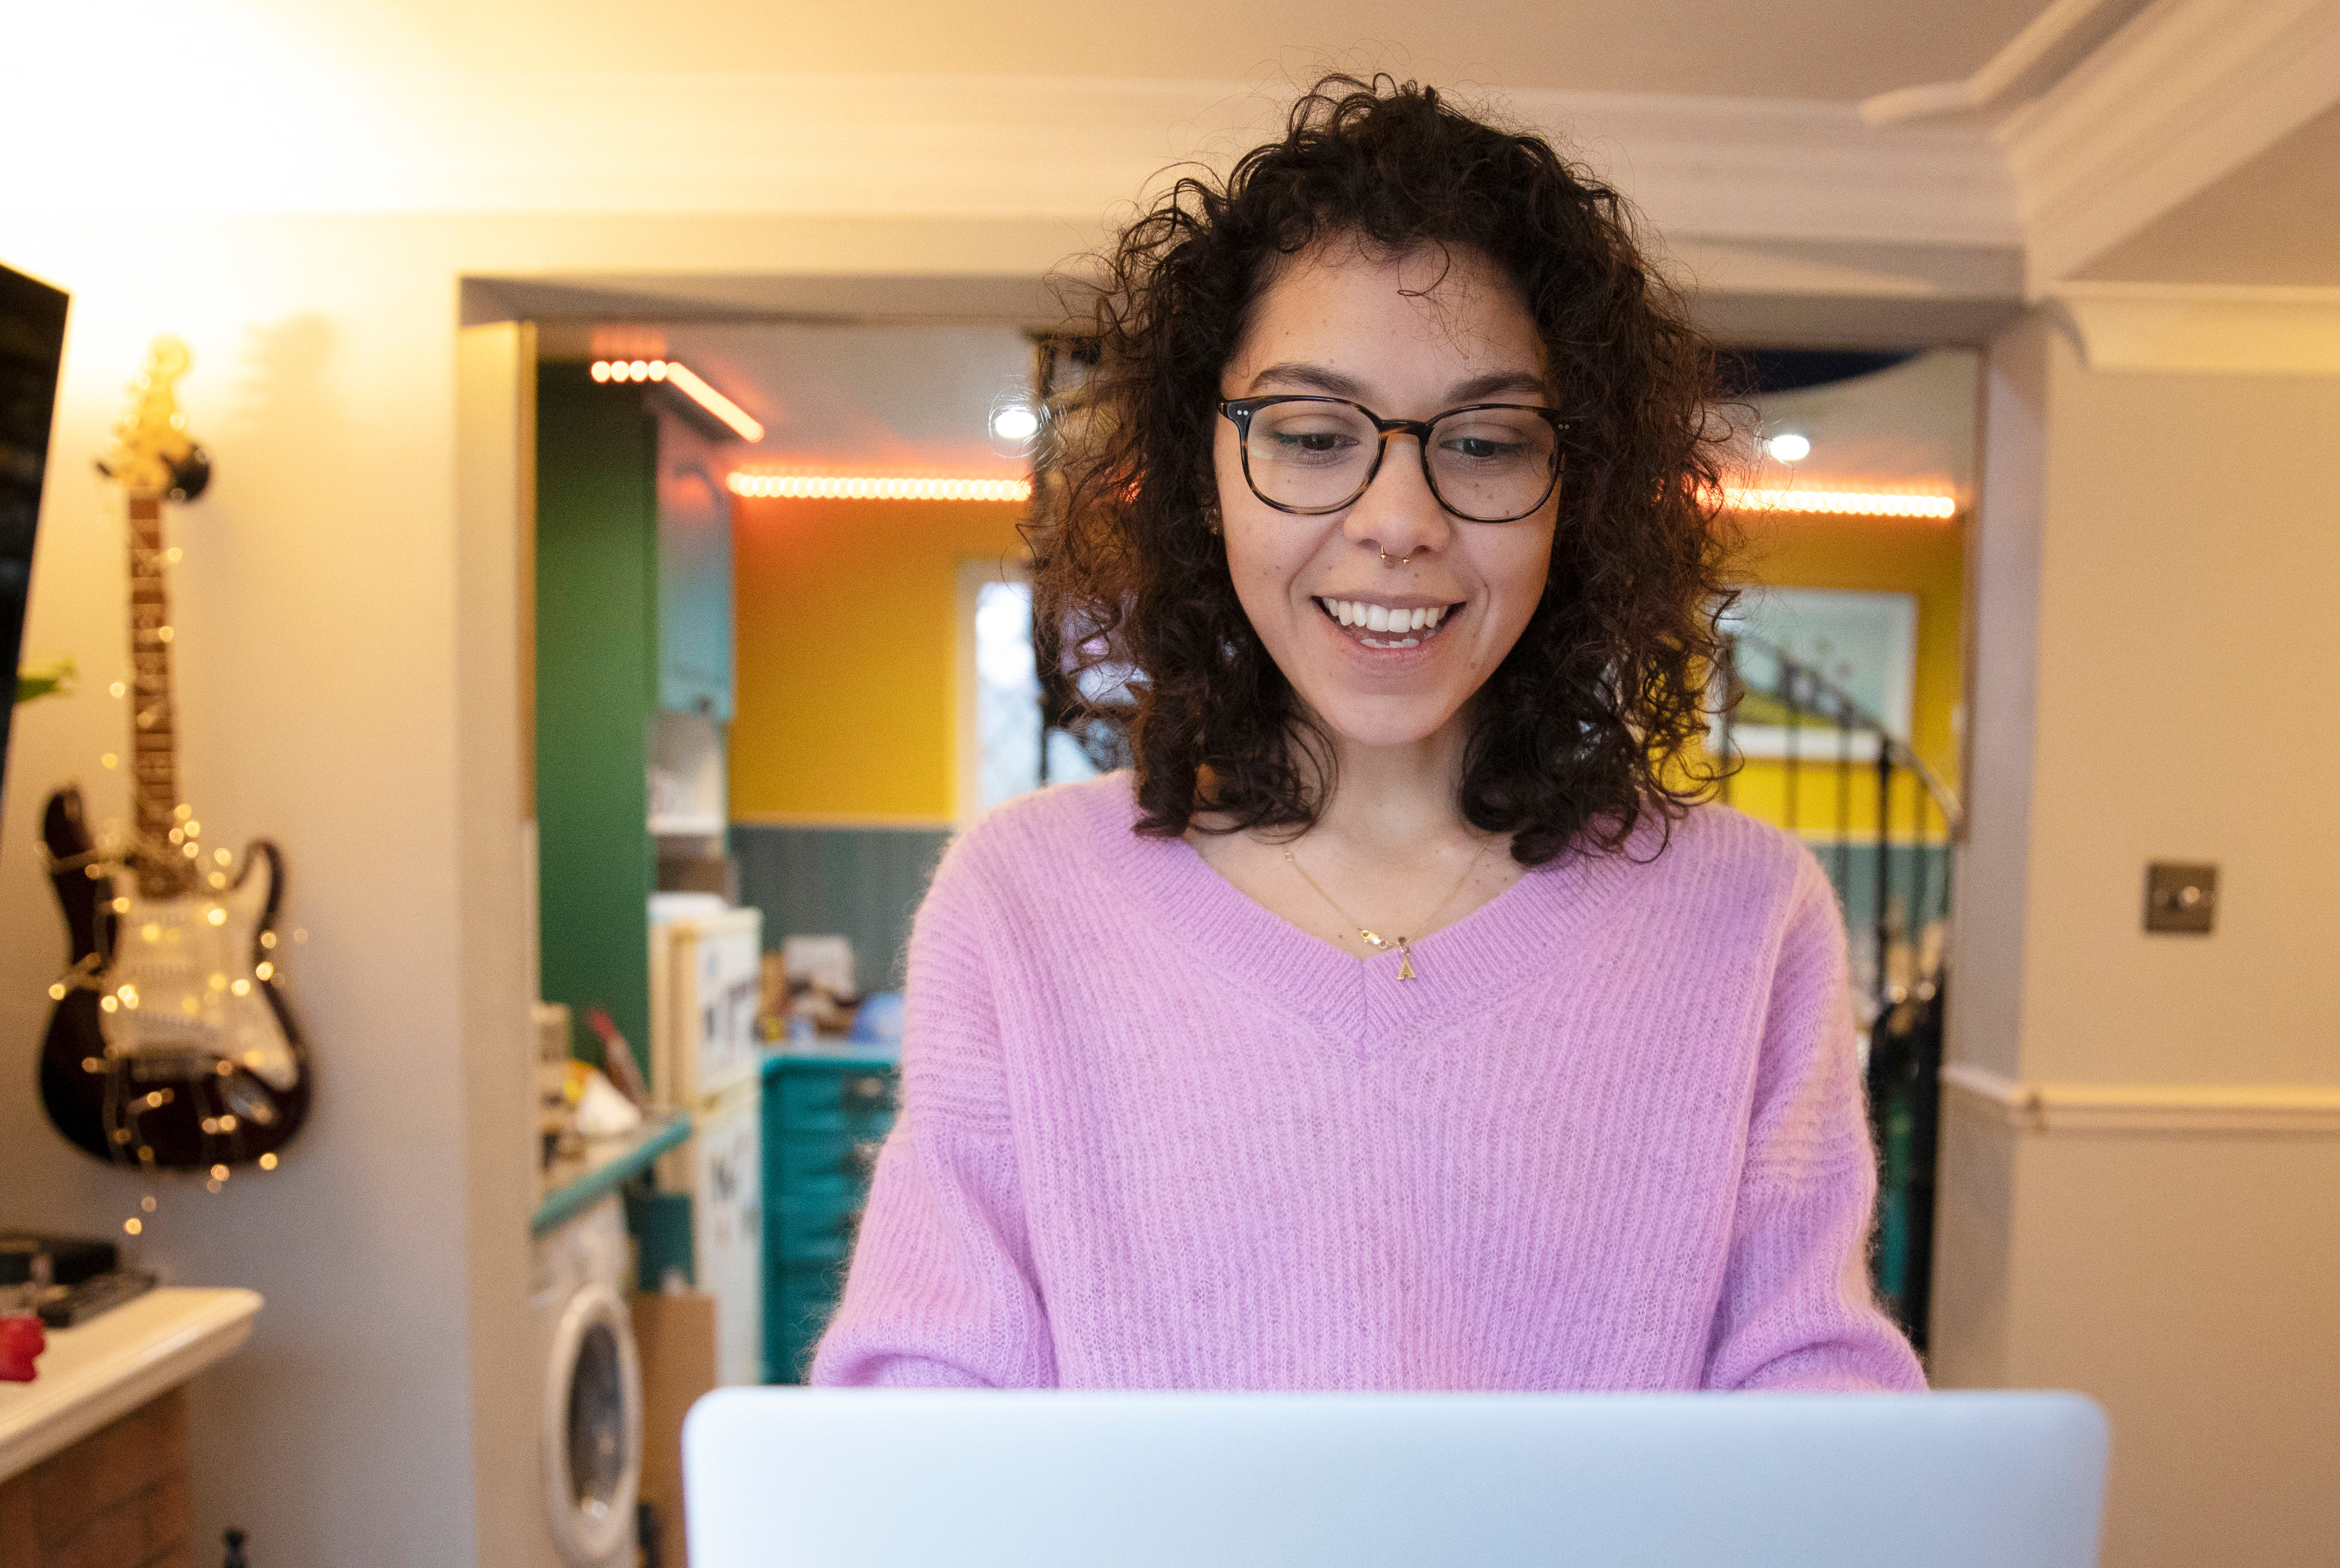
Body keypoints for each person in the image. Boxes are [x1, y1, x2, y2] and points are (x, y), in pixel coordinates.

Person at [811, 79, 1924, 1393]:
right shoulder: (1022, 906)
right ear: (1199, 470)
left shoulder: (1748, 920)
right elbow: (924, 1406)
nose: (1400, 517)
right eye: (1313, 434)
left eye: (1490, 441)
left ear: (1585, 491)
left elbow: (1815, 1404)